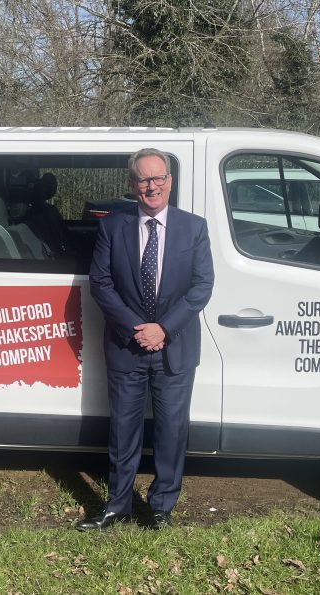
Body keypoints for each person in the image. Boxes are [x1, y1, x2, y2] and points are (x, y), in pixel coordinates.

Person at [77, 148, 214, 531]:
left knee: (172, 431)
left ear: (170, 182)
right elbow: (101, 285)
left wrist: (164, 328)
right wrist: (137, 328)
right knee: (123, 430)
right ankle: (117, 504)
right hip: (126, 347)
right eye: (143, 179)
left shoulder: (194, 228)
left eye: (158, 179)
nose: (151, 187)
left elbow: (202, 286)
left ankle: (161, 507)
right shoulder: (112, 227)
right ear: (131, 184)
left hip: (175, 348)